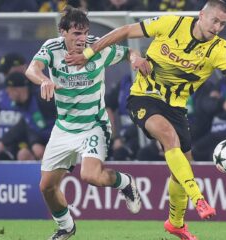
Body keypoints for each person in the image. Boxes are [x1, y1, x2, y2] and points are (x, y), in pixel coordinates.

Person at [65, 0, 226, 239]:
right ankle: (199, 199)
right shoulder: (171, 24)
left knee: (181, 170)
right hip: (144, 96)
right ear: (201, 15)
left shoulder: (218, 49)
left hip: (176, 108)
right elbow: (125, 30)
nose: (217, 27)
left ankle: (176, 223)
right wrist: (87, 53)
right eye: (214, 20)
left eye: (223, 23)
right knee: (168, 136)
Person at [25, 6, 142, 240]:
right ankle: (66, 227)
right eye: (76, 34)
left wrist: (135, 58)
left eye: (85, 33)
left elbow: (127, 52)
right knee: (46, 187)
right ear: (63, 32)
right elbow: (32, 69)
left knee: (90, 176)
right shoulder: (52, 48)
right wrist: (44, 80)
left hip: (94, 125)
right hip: (64, 127)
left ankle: (125, 182)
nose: (82, 39)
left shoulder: (97, 48)